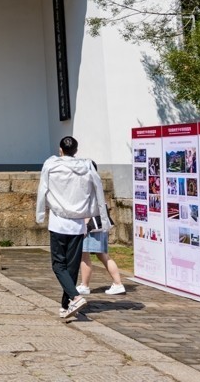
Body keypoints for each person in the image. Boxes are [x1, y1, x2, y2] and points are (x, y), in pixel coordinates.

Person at [36, 136, 109, 320]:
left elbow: (42, 189)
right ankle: (65, 304)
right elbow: (98, 190)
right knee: (72, 266)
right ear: (76, 151)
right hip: (77, 223)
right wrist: (100, 214)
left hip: (59, 221)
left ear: (60, 149)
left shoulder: (52, 166)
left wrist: (40, 214)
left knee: (58, 265)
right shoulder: (86, 168)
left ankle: (75, 297)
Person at [77, 161, 125, 296]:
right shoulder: (96, 181)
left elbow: (87, 207)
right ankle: (117, 283)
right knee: (102, 255)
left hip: (91, 225)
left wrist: (85, 226)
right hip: (99, 223)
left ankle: (85, 285)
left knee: (85, 255)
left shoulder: (86, 184)